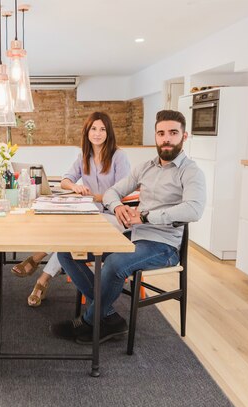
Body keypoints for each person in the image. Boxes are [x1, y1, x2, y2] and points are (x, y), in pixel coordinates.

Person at [55, 109, 206, 344]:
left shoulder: (191, 171)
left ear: (184, 136)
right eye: (161, 133)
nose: (166, 138)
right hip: (135, 236)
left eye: (173, 133)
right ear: (155, 136)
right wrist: (117, 207)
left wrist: (145, 217)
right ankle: (108, 317)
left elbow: (193, 210)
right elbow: (112, 192)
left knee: (115, 263)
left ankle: (88, 323)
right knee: (67, 252)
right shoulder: (145, 167)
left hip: (164, 245)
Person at [11, 111, 130, 306]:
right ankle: (42, 279)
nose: (98, 133)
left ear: (109, 133)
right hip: (90, 213)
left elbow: (121, 193)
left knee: (70, 233)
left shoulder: (119, 156)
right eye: (94, 129)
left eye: (102, 129)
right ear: (87, 131)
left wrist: (92, 196)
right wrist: (75, 186)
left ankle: (39, 263)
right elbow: (66, 180)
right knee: (67, 232)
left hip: (113, 217)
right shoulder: (84, 156)